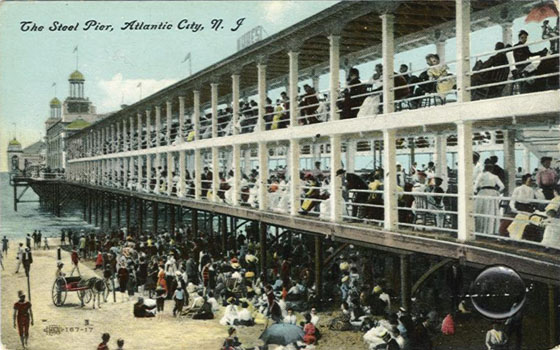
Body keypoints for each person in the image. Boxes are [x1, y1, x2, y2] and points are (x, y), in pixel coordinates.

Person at [474, 163, 505, 235]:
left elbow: (475, 187)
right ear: (492, 169)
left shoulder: (481, 175)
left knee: (481, 211)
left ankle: (480, 230)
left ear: (485, 168)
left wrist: (476, 192)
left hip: (483, 193)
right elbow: (502, 186)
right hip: (492, 194)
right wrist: (497, 192)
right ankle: (490, 231)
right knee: (491, 211)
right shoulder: (495, 176)